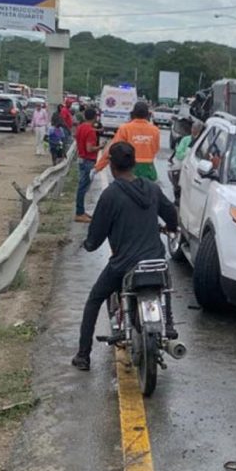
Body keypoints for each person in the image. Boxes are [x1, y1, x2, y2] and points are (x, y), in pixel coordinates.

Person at [71, 140, 178, 371]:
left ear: (111, 165)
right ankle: (167, 322)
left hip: (124, 265)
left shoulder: (110, 195)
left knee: (94, 301)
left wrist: (88, 245)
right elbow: (171, 215)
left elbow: (96, 235)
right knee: (166, 289)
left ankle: (83, 356)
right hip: (156, 262)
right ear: (134, 162)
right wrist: (170, 226)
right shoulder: (152, 188)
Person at [95, 100, 160, 182]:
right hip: (149, 170)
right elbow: (156, 149)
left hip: (130, 170)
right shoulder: (155, 130)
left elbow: (113, 150)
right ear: (148, 115)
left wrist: (97, 168)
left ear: (133, 114)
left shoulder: (125, 128)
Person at [74, 106, 101, 222]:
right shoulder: (90, 131)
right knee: (83, 187)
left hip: (81, 158)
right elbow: (89, 149)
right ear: (95, 117)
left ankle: (81, 211)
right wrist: (101, 147)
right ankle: (79, 213)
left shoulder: (80, 128)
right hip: (88, 160)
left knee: (82, 186)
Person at [168, 118, 201, 207]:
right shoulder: (186, 140)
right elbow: (179, 153)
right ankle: (177, 195)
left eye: (196, 129)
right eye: (193, 129)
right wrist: (187, 155)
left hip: (196, 167)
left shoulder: (202, 141)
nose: (194, 131)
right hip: (183, 163)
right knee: (174, 171)